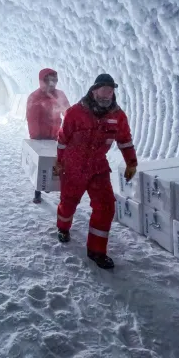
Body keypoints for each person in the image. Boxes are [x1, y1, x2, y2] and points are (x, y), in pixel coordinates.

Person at [54, 73, 137, 270]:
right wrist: (59, 162)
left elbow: (125, 140)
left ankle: (96, 251)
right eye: (103, 90)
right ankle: (63, 227)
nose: (107, 94)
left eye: (111, 91)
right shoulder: (75, 112)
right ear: (94, 90)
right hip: (73, 166)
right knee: (68, 203)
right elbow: (63, 139)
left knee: (106, 206)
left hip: (98, 168)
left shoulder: (118, 116)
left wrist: (131, 162)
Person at [26, 68, 70, 203]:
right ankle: (38, 191)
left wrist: (69, 129)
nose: (51, 83)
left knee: (58, 162)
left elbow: (68, 112)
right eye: (48, 80)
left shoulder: (59, 95)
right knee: (41, 164)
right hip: (40, 137)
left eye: (54, 80)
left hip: (55, 135)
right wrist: (36, 138)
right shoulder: (34, 97)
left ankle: (56, 188)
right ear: (42, 81)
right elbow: (32, 119)